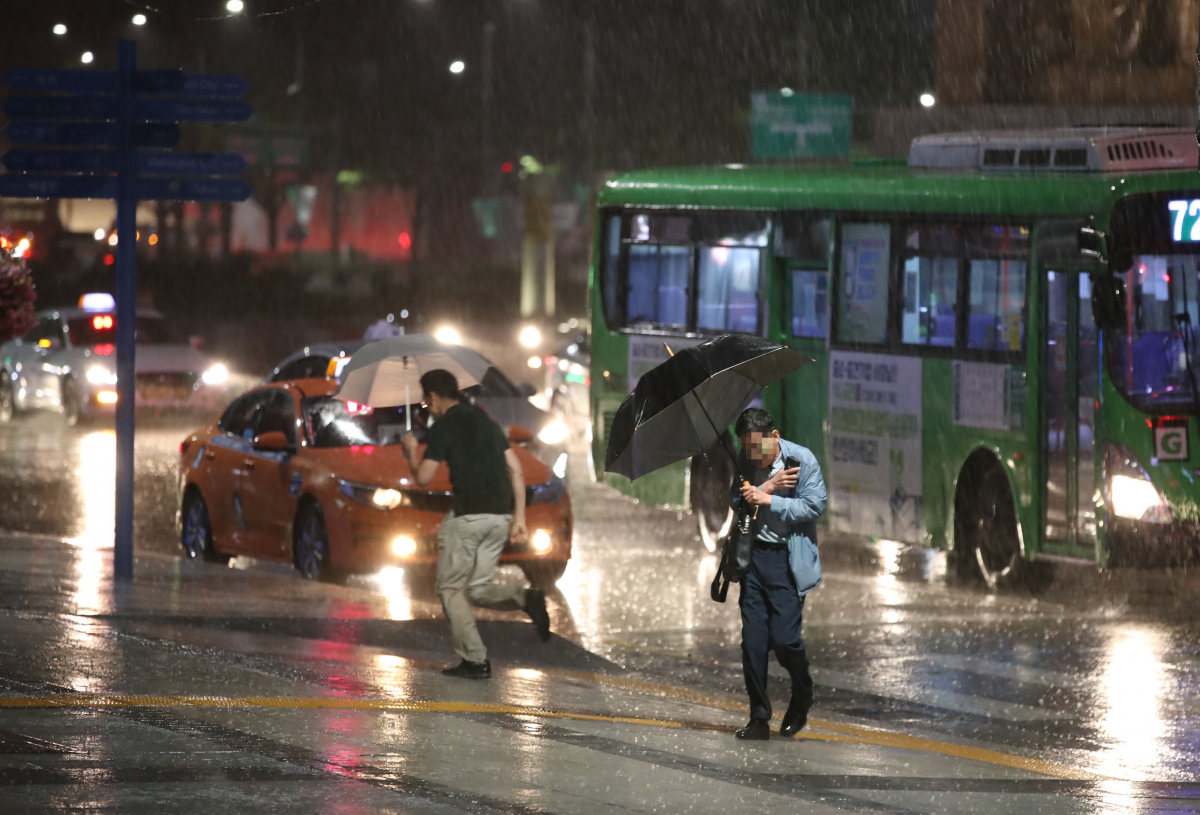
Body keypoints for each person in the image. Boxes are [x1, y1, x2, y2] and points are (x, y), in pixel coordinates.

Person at [401, 368, 552, 679]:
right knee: (479, 589)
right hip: (499, 517)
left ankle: (475, 660)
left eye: (425, 402)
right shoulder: (488, 423)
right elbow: (516, 470)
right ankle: (527, 598)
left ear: (433, 397)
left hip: (467, 516)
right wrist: (519, 518)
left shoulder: (443, 426)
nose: (426, 407)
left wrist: (411, 453)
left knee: (449, 589)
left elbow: (423, 478)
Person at [729, 407, 826, 740]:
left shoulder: (802, 460)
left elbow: (815, 506)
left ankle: (802, 691)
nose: (754, 456)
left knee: (784, 641)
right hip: (754, 560)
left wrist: (770, 500)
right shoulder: (745, 460)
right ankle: (759, 717)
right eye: (747, 448)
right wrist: (767, 485)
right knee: (753, 643)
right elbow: (736, 501)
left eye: (759, 448)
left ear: (774, 436)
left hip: (787, 561)